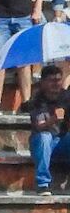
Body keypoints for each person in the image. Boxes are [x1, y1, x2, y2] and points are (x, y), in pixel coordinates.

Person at [30, 62, 69, 193]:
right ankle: (43, 184)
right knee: (45, 137)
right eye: (52, 81)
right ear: (43, 82)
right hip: (42, 142)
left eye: (58, 80)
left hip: (62, 142)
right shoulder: (37, 100)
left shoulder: (66, 97)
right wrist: (53, 120)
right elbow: (38, 126)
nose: (56, 84)